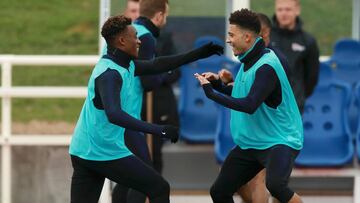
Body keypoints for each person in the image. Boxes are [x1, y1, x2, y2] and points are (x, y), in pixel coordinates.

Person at [69, 15, 223, 203]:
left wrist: (198, 53)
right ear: (122, 41)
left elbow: (158, 64)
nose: (140, 40)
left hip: (83, 149)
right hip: (101, 151)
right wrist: (159, 129)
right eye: (135, 36)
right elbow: (114, 114)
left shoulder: (125, 65)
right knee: (158, 187)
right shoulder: (109, 74)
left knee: (153, 187)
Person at [194, 9, 303, 203]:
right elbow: (243, 94)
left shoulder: (266, 65)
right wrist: (218, 85)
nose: (228, 40)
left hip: (280, 139)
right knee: (219, 191)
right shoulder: (247, 61)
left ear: (247, 37)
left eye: (231, 35)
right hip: (252, 142)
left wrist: (211, 93)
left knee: (276, 186)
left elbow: (250, 104)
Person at [112, 0, 173, 202]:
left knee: (127, 175)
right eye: (166, 15)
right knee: (145, 176)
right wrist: (163, 73)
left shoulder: (121, 35)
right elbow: (147, 81)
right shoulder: (145, 37)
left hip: (118, 112)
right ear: (158, 16)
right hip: (127, 113)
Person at [271, 0, 319, 113]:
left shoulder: (308, 41)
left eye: (288, 9)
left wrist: (299, 96)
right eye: (280, 9)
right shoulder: (265, 37)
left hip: (294, 106)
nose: (283, 13)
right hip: (267, 105)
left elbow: (312, 77)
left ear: (297, 11)